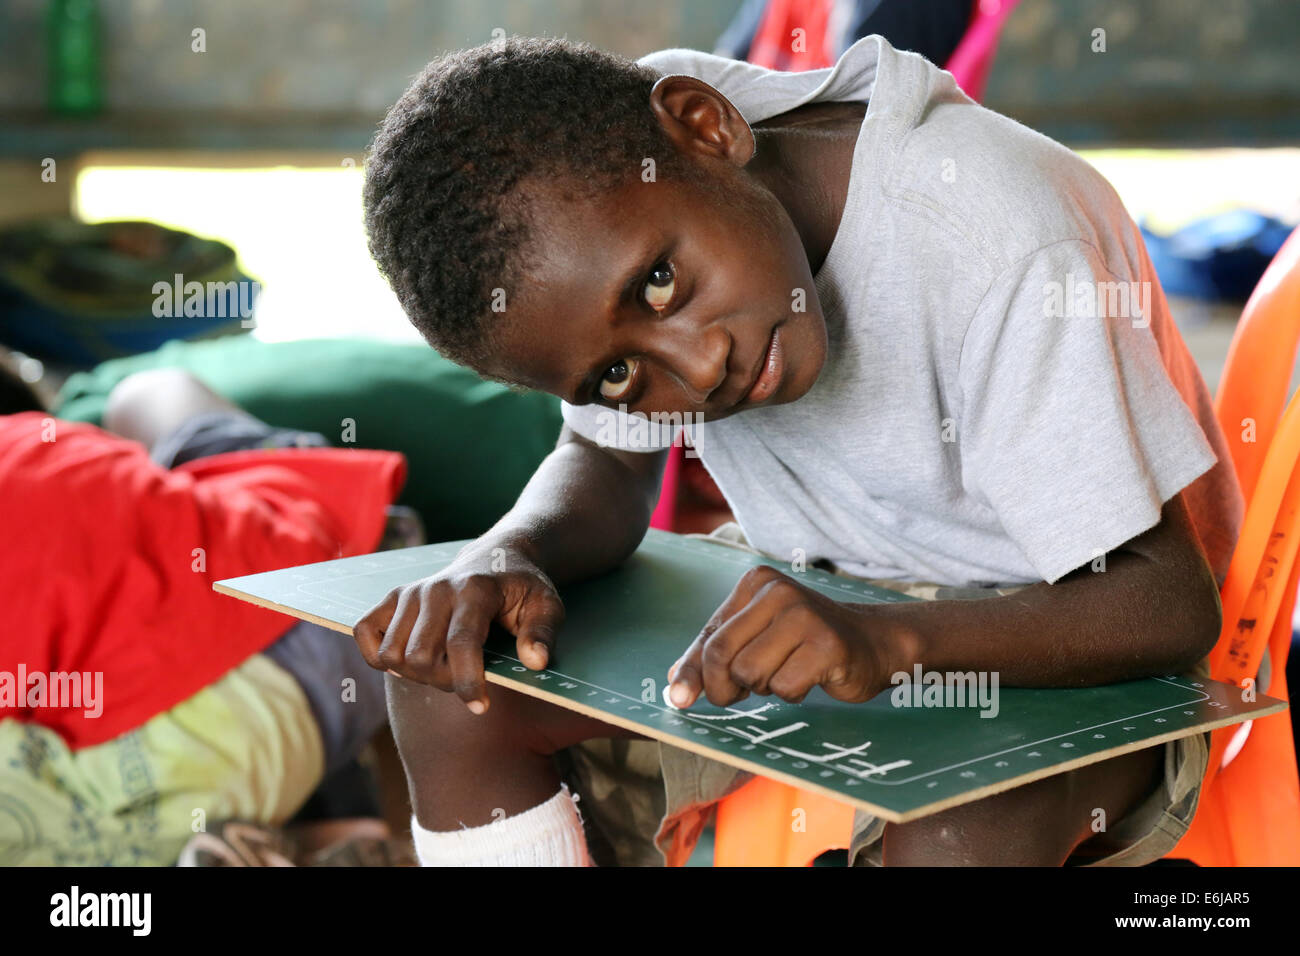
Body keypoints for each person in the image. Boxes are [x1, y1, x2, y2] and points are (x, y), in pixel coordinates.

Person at [355, 35, 1242, 867]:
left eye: (661, 283)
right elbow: (611, 467)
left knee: (962, 823)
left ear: (709, 128)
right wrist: (512, 551)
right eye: (619, 374)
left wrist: (890, 638)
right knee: (453, 691)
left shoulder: (999, 236)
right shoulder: (634, 177)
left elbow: (1166, 605)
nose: (700, 372)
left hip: (1068, 645)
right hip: (819, 600)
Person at [0, 366, 406, 865]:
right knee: (147, 391)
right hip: (352, 588)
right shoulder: (32, 443)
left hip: (228, 761)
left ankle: (321, 822)